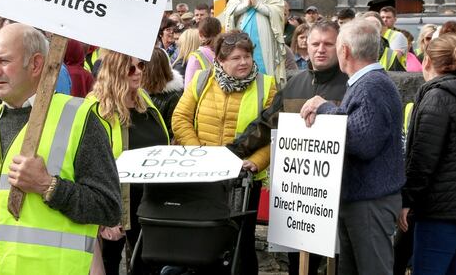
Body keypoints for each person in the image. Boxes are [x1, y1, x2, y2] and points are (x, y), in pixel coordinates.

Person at [0, 23, 121, 274]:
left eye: (4, 61)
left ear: (35, 64)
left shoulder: (79, 118)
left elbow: (108, 207)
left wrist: (48, 186)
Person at [228, 21, 347, 275]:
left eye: (328, 44)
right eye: (315, 44)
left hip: (339, 197)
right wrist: (230, 152)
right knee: (299, 266)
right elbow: (265, 123)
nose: (321, 50)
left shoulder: (351, 84)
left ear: (341, 46)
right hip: (301, 199)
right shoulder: (295, 84)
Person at [300, 18, 404, 275]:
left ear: (344, 50)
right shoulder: (367, 83)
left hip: (370, 201)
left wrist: (325, 108)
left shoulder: (371, 86)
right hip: (362, 198)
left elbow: (363, 141)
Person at [171, 31, 276, 274]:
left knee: (242, 242)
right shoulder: (201, 79)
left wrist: (256, 162)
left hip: (244, 179)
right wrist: (200, 154)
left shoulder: (266, 85)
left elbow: (274, 132)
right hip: (203, 176)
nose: (243, 62)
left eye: (247, 56)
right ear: (219, 61)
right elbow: (181, 118)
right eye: (236, 58)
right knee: (206, 239)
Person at [397, 34, 456, 275]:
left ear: (427, 61)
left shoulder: (437, 96)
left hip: (440, 208)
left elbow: (423, 158)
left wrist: (407, 201)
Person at [89, 50, 170, 275]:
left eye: (141, 65)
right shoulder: (96, 109)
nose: (138, 72)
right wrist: (104, 217)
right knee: (110, 261)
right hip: (115, 201)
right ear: (114, 70)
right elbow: (92, 163)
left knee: (148, 263)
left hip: (149, 202)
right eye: (131, 67)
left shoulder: (144, 101)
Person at [220, 0, 286, 82]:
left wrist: (257, 5)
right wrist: (246, 5)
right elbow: (230, 10)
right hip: (243, 23)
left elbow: (278, 9)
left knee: (263, 59)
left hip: (263, 26)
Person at [142, 47, 183, 131]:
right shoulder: (139, 91)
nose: (139, 70)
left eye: (141, 66)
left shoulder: (174, 97)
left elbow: (173, 131)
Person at [183, 17, 221, 86]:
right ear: (220, 32)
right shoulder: (227, 52)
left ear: (200, 34)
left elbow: (189, 87)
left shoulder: (196, 57)